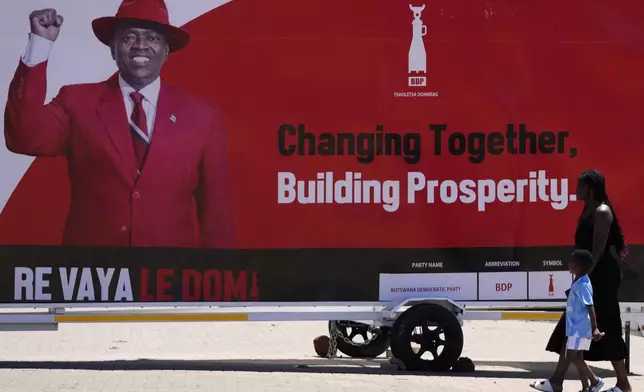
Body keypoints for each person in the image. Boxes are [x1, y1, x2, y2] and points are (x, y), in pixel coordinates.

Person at [4, 0, 234, 248]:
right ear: (112, 48)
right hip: (91, 276)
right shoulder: (77, 103)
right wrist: (40, 45)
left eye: (152, 38)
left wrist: (219, 278)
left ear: (167, 50)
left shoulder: (201, 116)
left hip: (168, 278)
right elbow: (23, 136)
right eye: (129, 37)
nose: (140, 45)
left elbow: (216, 216)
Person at [531, 169, 631, 392]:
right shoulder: (587, 210)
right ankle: (558, 381)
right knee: (572, 324)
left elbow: (597, 251)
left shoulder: (602, 212)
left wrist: (582, 279)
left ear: (590, 189)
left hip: (602, 277)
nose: (575, 190)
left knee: (608, 327)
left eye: (579, 186)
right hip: (589, 274)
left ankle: (623, 384)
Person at [563, 249, 605, 392]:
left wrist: (595, 328)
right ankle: (586, 387)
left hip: (580, 328)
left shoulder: (582, 285)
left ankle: (595, 381)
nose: (569, 263)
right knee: (578, 356)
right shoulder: (580, 281)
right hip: (577, 327)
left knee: (571, 355)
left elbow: (590, 307)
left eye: (572, 261)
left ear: (578, 266)